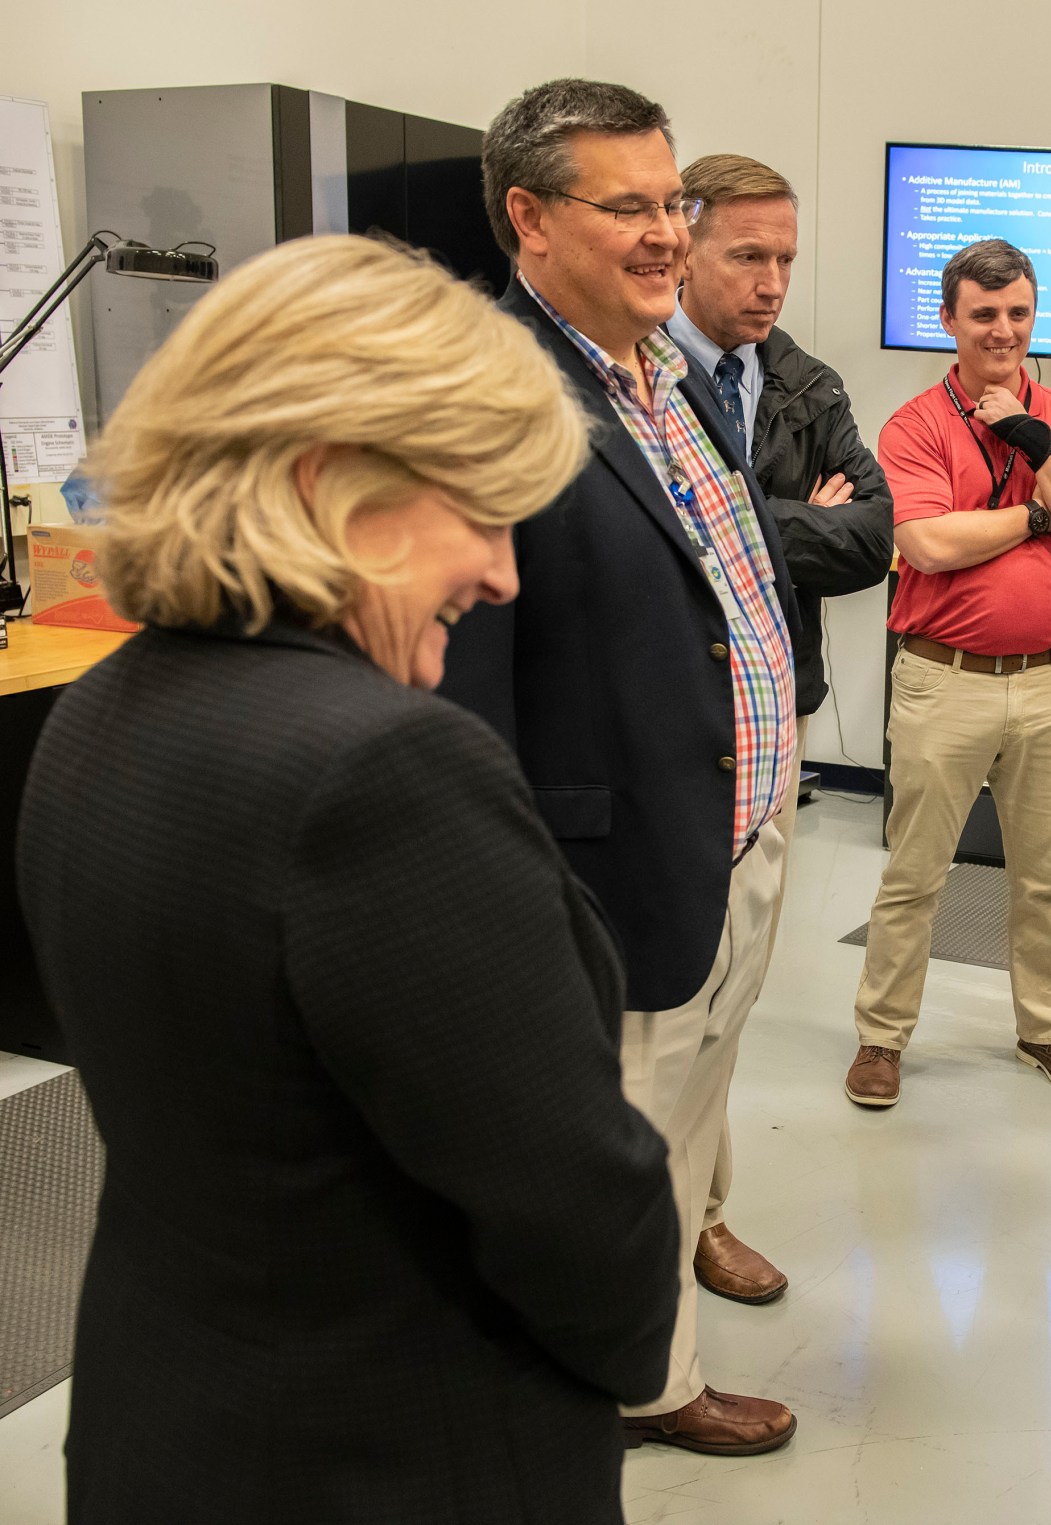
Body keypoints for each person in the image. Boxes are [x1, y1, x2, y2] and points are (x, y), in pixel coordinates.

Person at [16, 235, 681, 1525]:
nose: (500, 571)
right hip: (389, 1452)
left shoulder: (98, 716)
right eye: (481, 511)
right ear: (333, 483)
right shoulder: (383, 774)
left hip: (170, 1420)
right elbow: (575, 1204)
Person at [441, 79, 798, 1455]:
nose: (668, 238)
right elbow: (465, 687)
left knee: (688, 1119)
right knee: (621, 1147)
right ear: (530, 217)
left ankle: (646, 1329)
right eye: (633, 207)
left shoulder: (673, 374)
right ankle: (638, 1386)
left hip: (737, 830)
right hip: (608, 863)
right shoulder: (492, 394)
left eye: (674, 206)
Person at [665, 152, 892, 1304]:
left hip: (771, 721)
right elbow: (667, 534)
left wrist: (741, 523)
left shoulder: (798, 379)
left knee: (733, 995)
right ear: (677, 243)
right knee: (658, 1008)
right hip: (664, 726)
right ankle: (647, 1249)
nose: (769, 283)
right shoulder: (634, 371)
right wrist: (793, 517)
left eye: (786, 259)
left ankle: (703, 1210)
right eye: (746, 255)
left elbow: (873, 541)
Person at [846, 238, 1051, 1108]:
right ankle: (882, 1038)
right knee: (914, 873)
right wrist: (1045, 511)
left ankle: (1045, 1029)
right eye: (984, 314)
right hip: (944, 679)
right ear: (950, 321)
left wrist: (1032, 441)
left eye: (1018, 313)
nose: (1003, 330)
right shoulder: (914, 425)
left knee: (1045, 877)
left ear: (1033, 315)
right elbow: (927, 542)